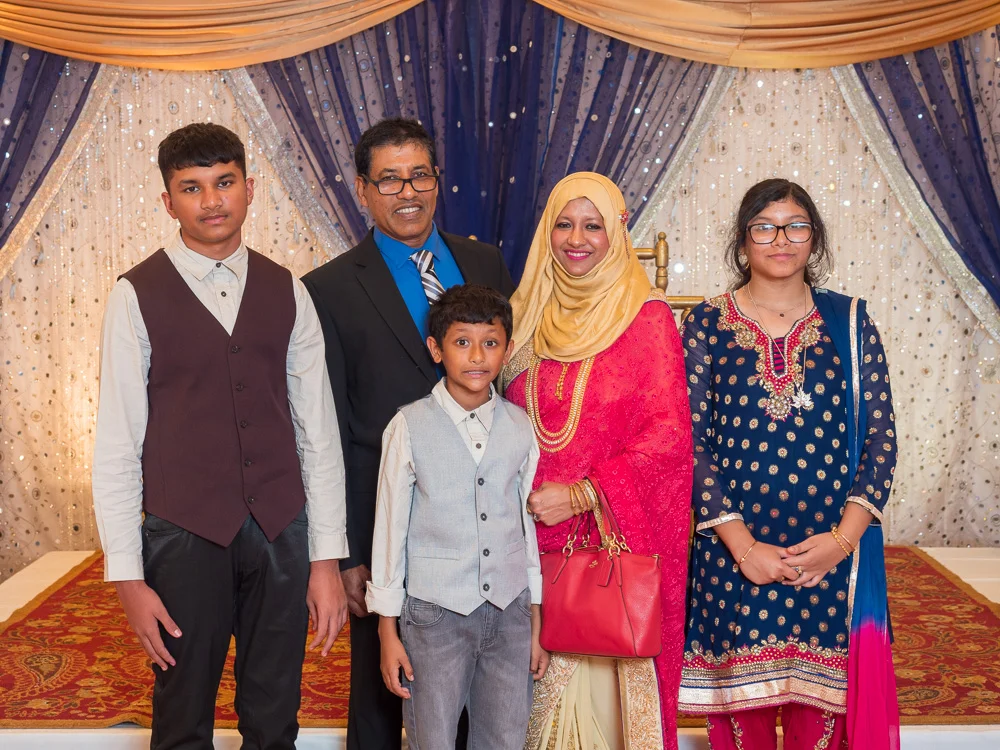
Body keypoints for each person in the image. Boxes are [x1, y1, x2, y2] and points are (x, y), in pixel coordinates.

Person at [91, 122, 349, 750]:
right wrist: (127, 578)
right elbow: (118, 444)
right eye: (192, 187)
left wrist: (325, 560)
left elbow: (318, 431)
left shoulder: (289, 290)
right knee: (182, 720)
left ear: (249, 188)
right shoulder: (134, 295)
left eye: (224, 182)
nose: (211, 201)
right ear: (168, 201)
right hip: (184, 534)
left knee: (274, 718)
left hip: (281, 531)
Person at [301, 117, 515, 750]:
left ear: (437, 180)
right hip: (382, 519)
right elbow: (327, 427)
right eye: (389, 180)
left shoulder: (484, 261)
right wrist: (343, 552)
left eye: (419, 175)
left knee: (480, 681)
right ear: (362, 190)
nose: (407, 192)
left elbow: (507, 382)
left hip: (480, 516)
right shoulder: (328, 288)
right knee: (379, 687)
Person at [677, 178, 899, 750]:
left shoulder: (850, 322)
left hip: (827, 558)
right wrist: (743, 547)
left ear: (814, 238)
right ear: (742, 240)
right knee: (741, 725)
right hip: (734, 556)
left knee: (819, 726)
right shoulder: (705, 324)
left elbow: (881, 442)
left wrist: (841, 543)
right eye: (765, 227)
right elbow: (691, 443)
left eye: (796, 226)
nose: (781, 239)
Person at [502, 172, 693, 750]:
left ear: (616, 233)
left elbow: (670, 437)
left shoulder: (647, 319)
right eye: (563, 224)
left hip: (608, 554)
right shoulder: (523, 317)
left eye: (593, 225)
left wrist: (583, 494)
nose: (576, 239)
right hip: (520, 550)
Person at [366, 284, 548, 749]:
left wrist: (535, 620)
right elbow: (389, 531)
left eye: (491, 343)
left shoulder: (521, 426)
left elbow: (526, 528)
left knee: (505, 738)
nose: (477, 356)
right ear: (436, 349)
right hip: (434, 616)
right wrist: (388, 630)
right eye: (462, 342)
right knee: (433, 739)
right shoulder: (408, 425)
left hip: (510, 612)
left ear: (507, 348)